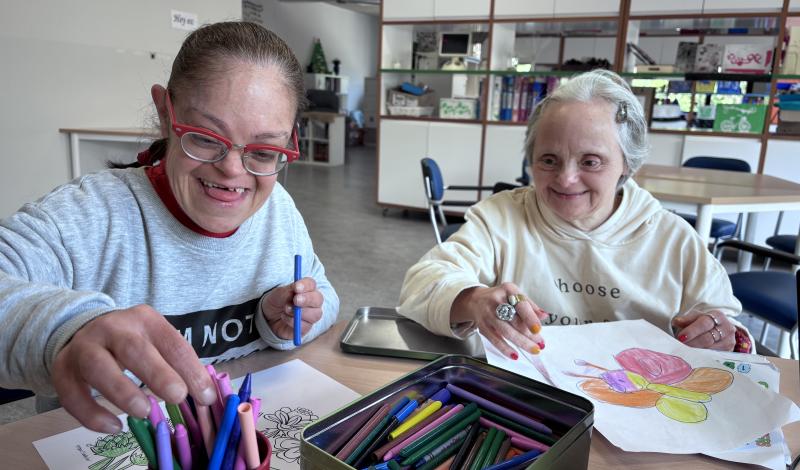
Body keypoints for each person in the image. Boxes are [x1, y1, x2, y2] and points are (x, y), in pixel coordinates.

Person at [0, 22, 338, 433]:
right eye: (206, 137)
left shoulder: (277, 211)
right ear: (165, 114)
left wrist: (284, 320)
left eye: (265, 151)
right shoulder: (91, 215)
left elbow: (324, 296)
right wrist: (66, 327)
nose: (232, 170)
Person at [398, 69, 750, 361]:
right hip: (522, 400)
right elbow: (420, 287)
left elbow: (729, 328)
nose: (566, 178)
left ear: (628, 164)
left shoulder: (671, 237)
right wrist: (473, 300)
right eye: (548, 160)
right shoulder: (501, 218)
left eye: (590, 161)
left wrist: (719, 335)